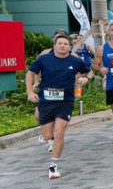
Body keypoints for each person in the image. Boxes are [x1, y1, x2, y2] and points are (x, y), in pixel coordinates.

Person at [26, 34, 92, 179]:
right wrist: (30, 91)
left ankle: (53, 165)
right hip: (46, 101)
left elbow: (89, 71)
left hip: (65, 102)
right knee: (48, 135)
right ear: (55, 46)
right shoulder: (44, 59)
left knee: (59, 133)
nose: (63, 46)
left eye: (65, 44)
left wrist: (85, 78)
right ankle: (47, 138)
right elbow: (30, 73)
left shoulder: (75, 61)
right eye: (60, 43)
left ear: (69, 46)